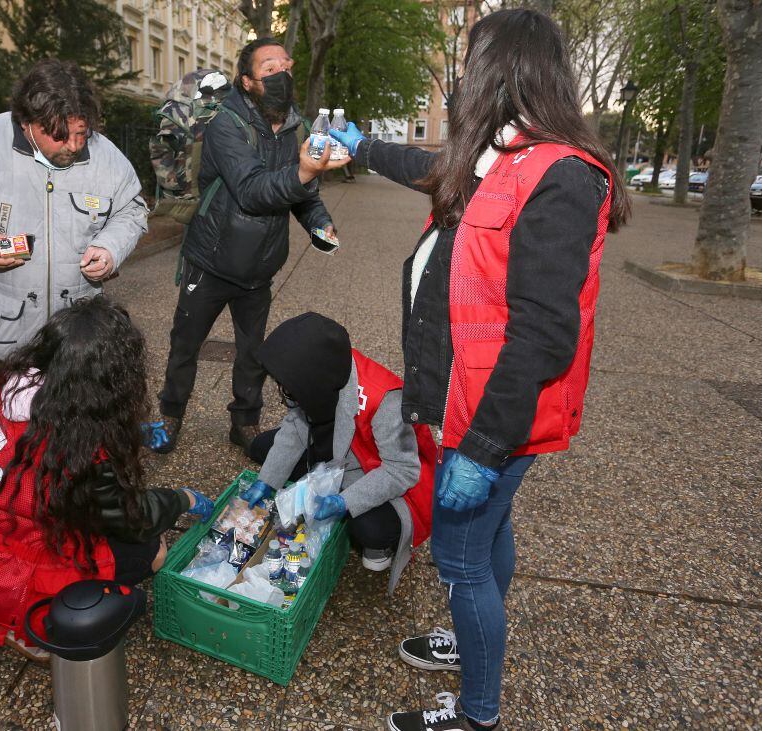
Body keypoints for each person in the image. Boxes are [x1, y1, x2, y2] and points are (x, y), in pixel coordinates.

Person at [329, 9, 629, 731]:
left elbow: (545, 333)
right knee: (489, 536)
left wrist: (486, 447)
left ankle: (478, 712)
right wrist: (363, 146)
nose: (464, 78)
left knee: (460, 560)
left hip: (491, 418)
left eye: (473, 62)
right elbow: (434, 170)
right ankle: (469, 644)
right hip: (466, 403)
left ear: (503, 68)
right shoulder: (507, 153)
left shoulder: (558, 175)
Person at [0, 297, 214, 663]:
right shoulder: (75, 455)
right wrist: (182, 499)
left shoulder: (16, 393)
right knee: (148, 547)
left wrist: (132, 433)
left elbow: (69, 427)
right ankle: (28, 631)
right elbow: (128, 517)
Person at [145, 38, 350, 456]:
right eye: (269, 68)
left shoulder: (296, 127)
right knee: (186, 344)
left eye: (285, 65)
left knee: (253, 352)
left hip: (260, 267)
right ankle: (171, 413)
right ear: (247, 81)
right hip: (212, 260)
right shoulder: (225, 124)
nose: (281, 75)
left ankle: (245, 421)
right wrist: (305, 171)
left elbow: (303, 194)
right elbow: (253, 189)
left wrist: (320, 224)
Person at [0, 58, 148, 360]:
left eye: (82, 132)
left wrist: (110, 248)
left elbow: (131, 210)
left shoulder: (106, 157)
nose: (75, 145)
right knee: (14, 405)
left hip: (78, 333)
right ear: (28, 122)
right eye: (61, 136)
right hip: (11, 333)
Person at [239, 312, 436, 595]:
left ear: (313, 384)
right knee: (262, 448)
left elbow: (402, 470)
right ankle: (316, 481)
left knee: (369, 527)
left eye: (290, 390)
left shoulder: (386, 399)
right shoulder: (322, 368)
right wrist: (267, 481)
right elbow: (295, 426)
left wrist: (344, 501)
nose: (284, 396)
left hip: (375, 470)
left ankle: (381, 545)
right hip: (338, 446)